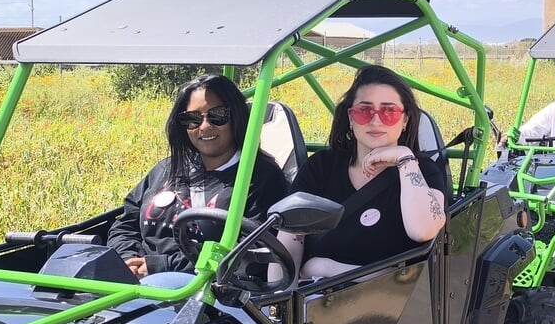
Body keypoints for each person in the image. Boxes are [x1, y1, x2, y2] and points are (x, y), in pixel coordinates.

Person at [111, 74, 289, 279]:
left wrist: (160, 266)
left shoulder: (261, 177)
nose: (204, 126)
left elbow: (250, 251)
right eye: (192, 119)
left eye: (218, 115)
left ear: (236, 117)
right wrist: (127, 259)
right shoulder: (167, 168)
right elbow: (125, 223)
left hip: (203, 288)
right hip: (134, 279)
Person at [290, 65, 447, 276]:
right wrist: (279, 300)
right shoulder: (321, 166)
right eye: (364, 111)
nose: (375, 121)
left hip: (389, 301)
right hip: (313, 299)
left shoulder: (422, 170)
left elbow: (423, 230)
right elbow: (289, 240)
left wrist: (404, 159)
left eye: (389, 111)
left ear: (405, 120)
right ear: (351, 118)